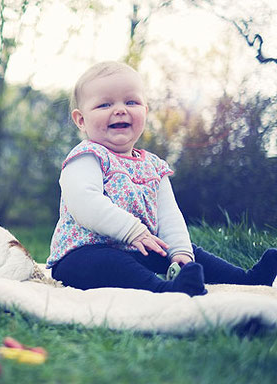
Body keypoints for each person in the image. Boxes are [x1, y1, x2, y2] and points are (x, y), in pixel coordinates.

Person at [47, 61, 277, 296]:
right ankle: (164, 289)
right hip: (82, 255)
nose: (120, 109)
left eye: (131, 102)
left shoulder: (154, 166)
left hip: (139, 247)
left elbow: (169, 216)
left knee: (187, 252)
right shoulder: (87, 156)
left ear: (145, 111)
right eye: (104, 104)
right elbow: (84, 202)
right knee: (109, 262)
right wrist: (132, 231)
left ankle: (247, 279)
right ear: (81, 120)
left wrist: (180, 252)